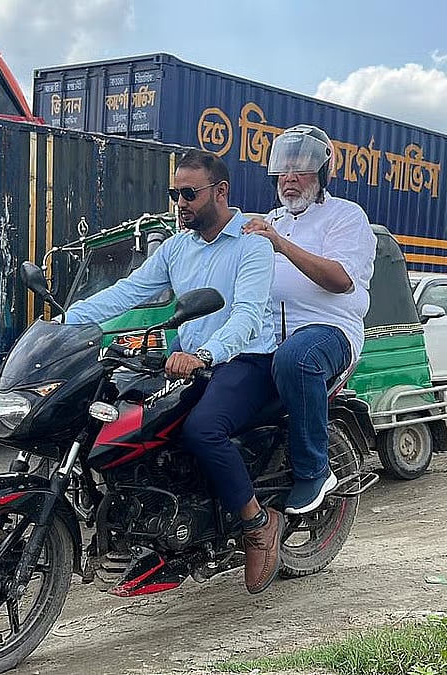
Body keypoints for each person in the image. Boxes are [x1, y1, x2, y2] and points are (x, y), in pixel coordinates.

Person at [62, 149, 284, 594]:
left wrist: (205, 353)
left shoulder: (252, 244)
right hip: (189, 360)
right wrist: (67, 321)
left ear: (220, 192)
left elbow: (247, 315)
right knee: (124, 416)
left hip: (244, 359)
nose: (180, 203)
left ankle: (258, 522)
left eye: (189, 193)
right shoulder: (178, 247)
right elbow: (128, 292)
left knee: (203, 429)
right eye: (174, 193)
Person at [242, 124, 376, 515]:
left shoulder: (345, 216)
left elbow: (340, 279)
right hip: (268, 334)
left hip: (329, 330)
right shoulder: (272, 219)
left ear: (322, 173)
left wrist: (280, 244)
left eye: (300, 169)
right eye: (283, 169)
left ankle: (314, 470)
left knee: (297, 357)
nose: (289, 177)